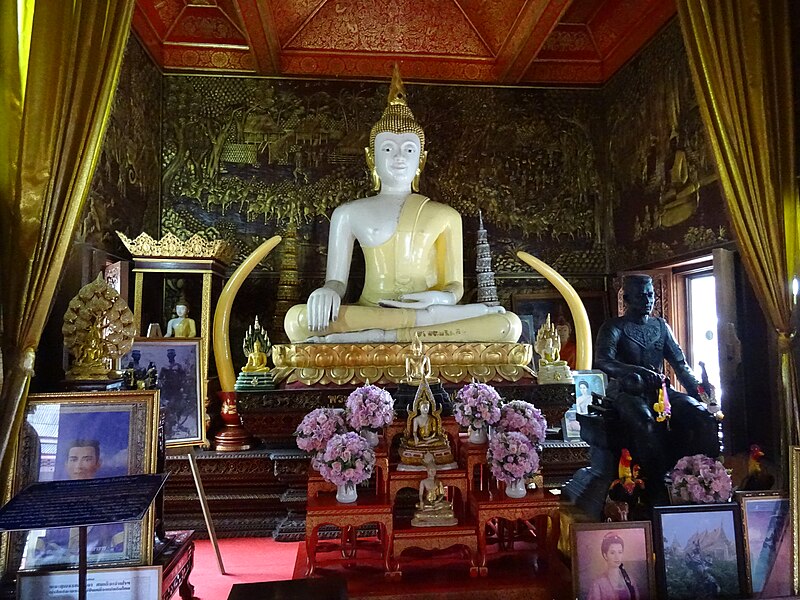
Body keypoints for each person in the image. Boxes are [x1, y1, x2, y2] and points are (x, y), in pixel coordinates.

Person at [283, 66, 521, 344]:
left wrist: (440, 297)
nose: (399, 157)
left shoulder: (445, 215)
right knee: (297, 320)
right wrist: (327, 292)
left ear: (421, 159)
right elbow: (337, 282)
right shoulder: (348, 213)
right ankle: (403, 331)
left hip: (431, 310)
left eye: (409, 149)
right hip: (375, 312)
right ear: (371, 159)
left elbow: (455, 287)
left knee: (507, 325)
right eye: (387, 149)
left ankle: (379, 337)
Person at [594, 274, 719, 502]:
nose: (647, 300)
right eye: (641, 295)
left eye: (651, 294)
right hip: (626, 391)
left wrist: (701, 395)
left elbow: (680, 365)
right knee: (644, 422)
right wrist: (638, 371)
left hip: (661, 391)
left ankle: (705, 480)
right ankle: (656, 484)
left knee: (701, 417)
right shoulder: (614, 327)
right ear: (628, 297)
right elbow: (603, 360)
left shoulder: (660, 326)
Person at [587, 533, 639, 600]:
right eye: (612, 553)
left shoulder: (630, 580)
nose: (617, 557)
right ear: (605, 555)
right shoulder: (598, 584)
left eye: (620, 552)